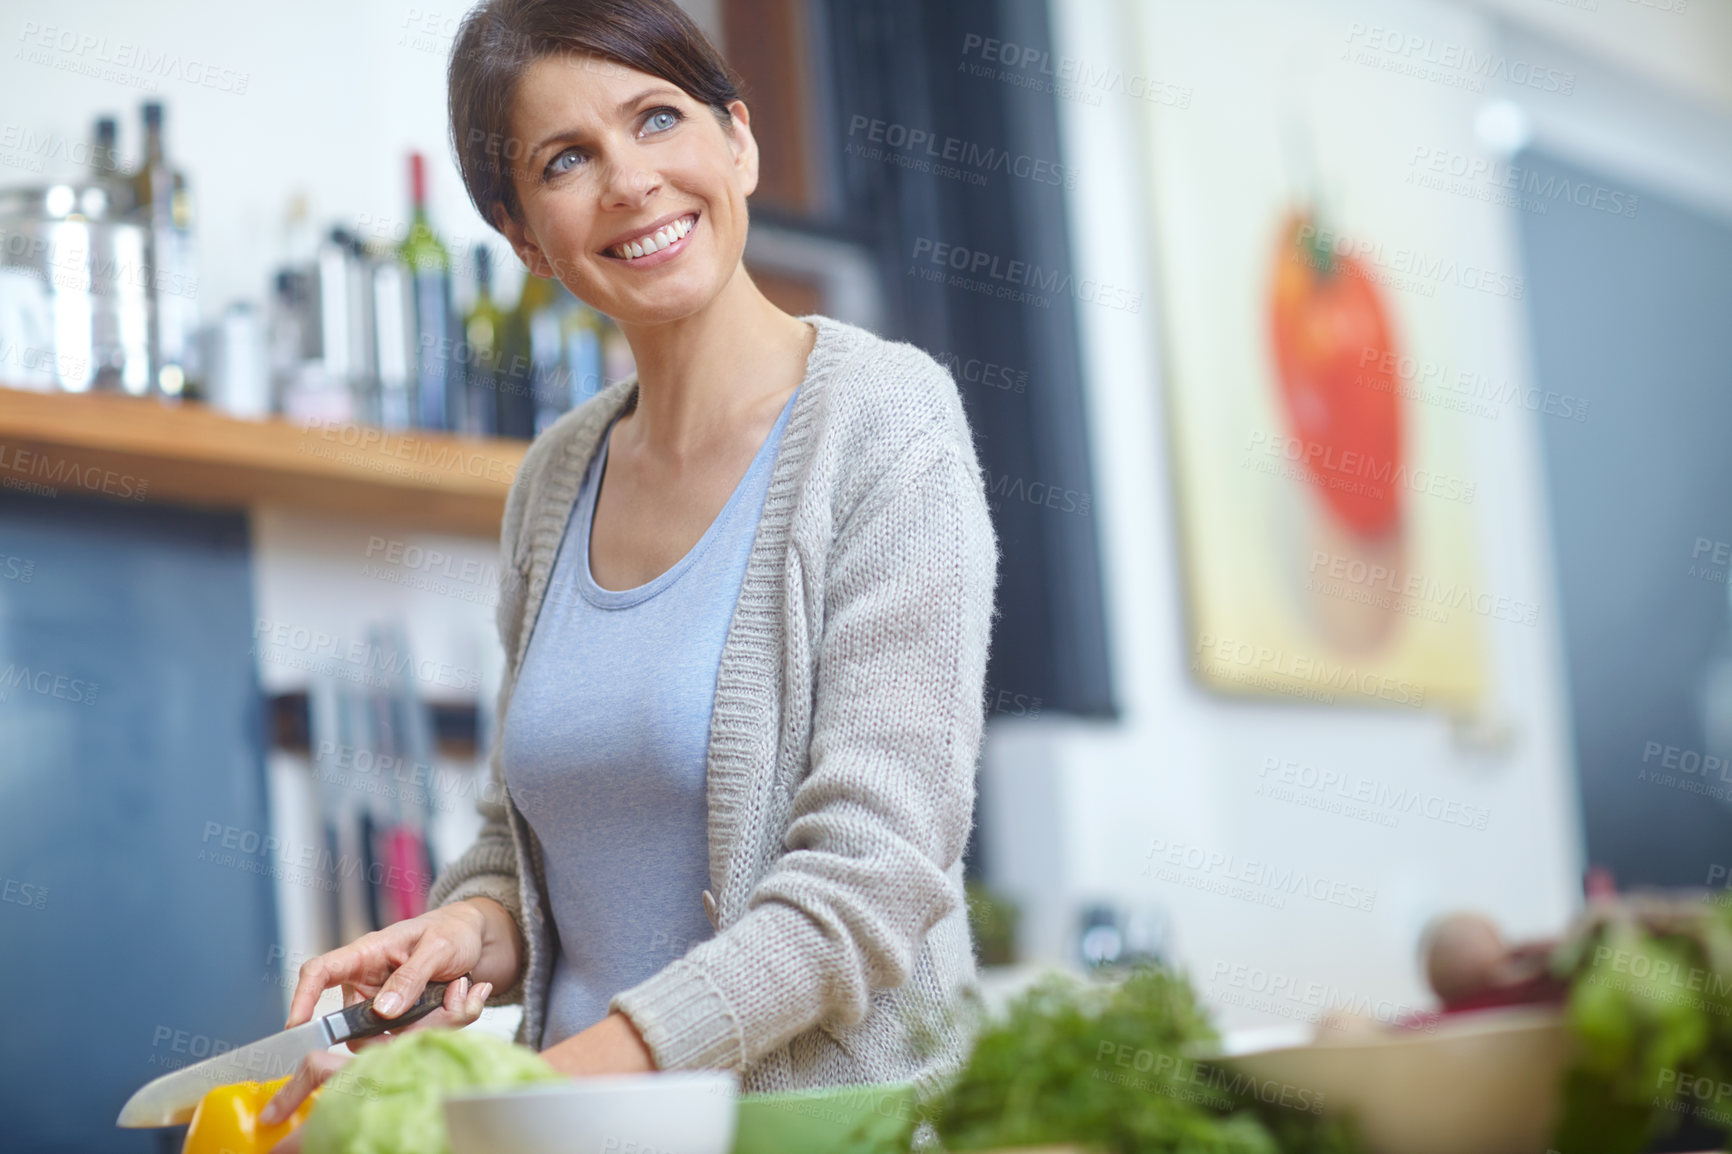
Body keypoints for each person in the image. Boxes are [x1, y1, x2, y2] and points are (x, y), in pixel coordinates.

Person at [260, 0, 998, 1138]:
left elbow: (871, 881)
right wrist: (463, 929)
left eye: (658, 118)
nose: (631, 181)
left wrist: (536, 1087)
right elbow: (532, 841)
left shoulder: (886, 423)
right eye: (568, 159)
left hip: (824, 1126)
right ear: (523, 236)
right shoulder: (553, 478)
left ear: (738, 142)